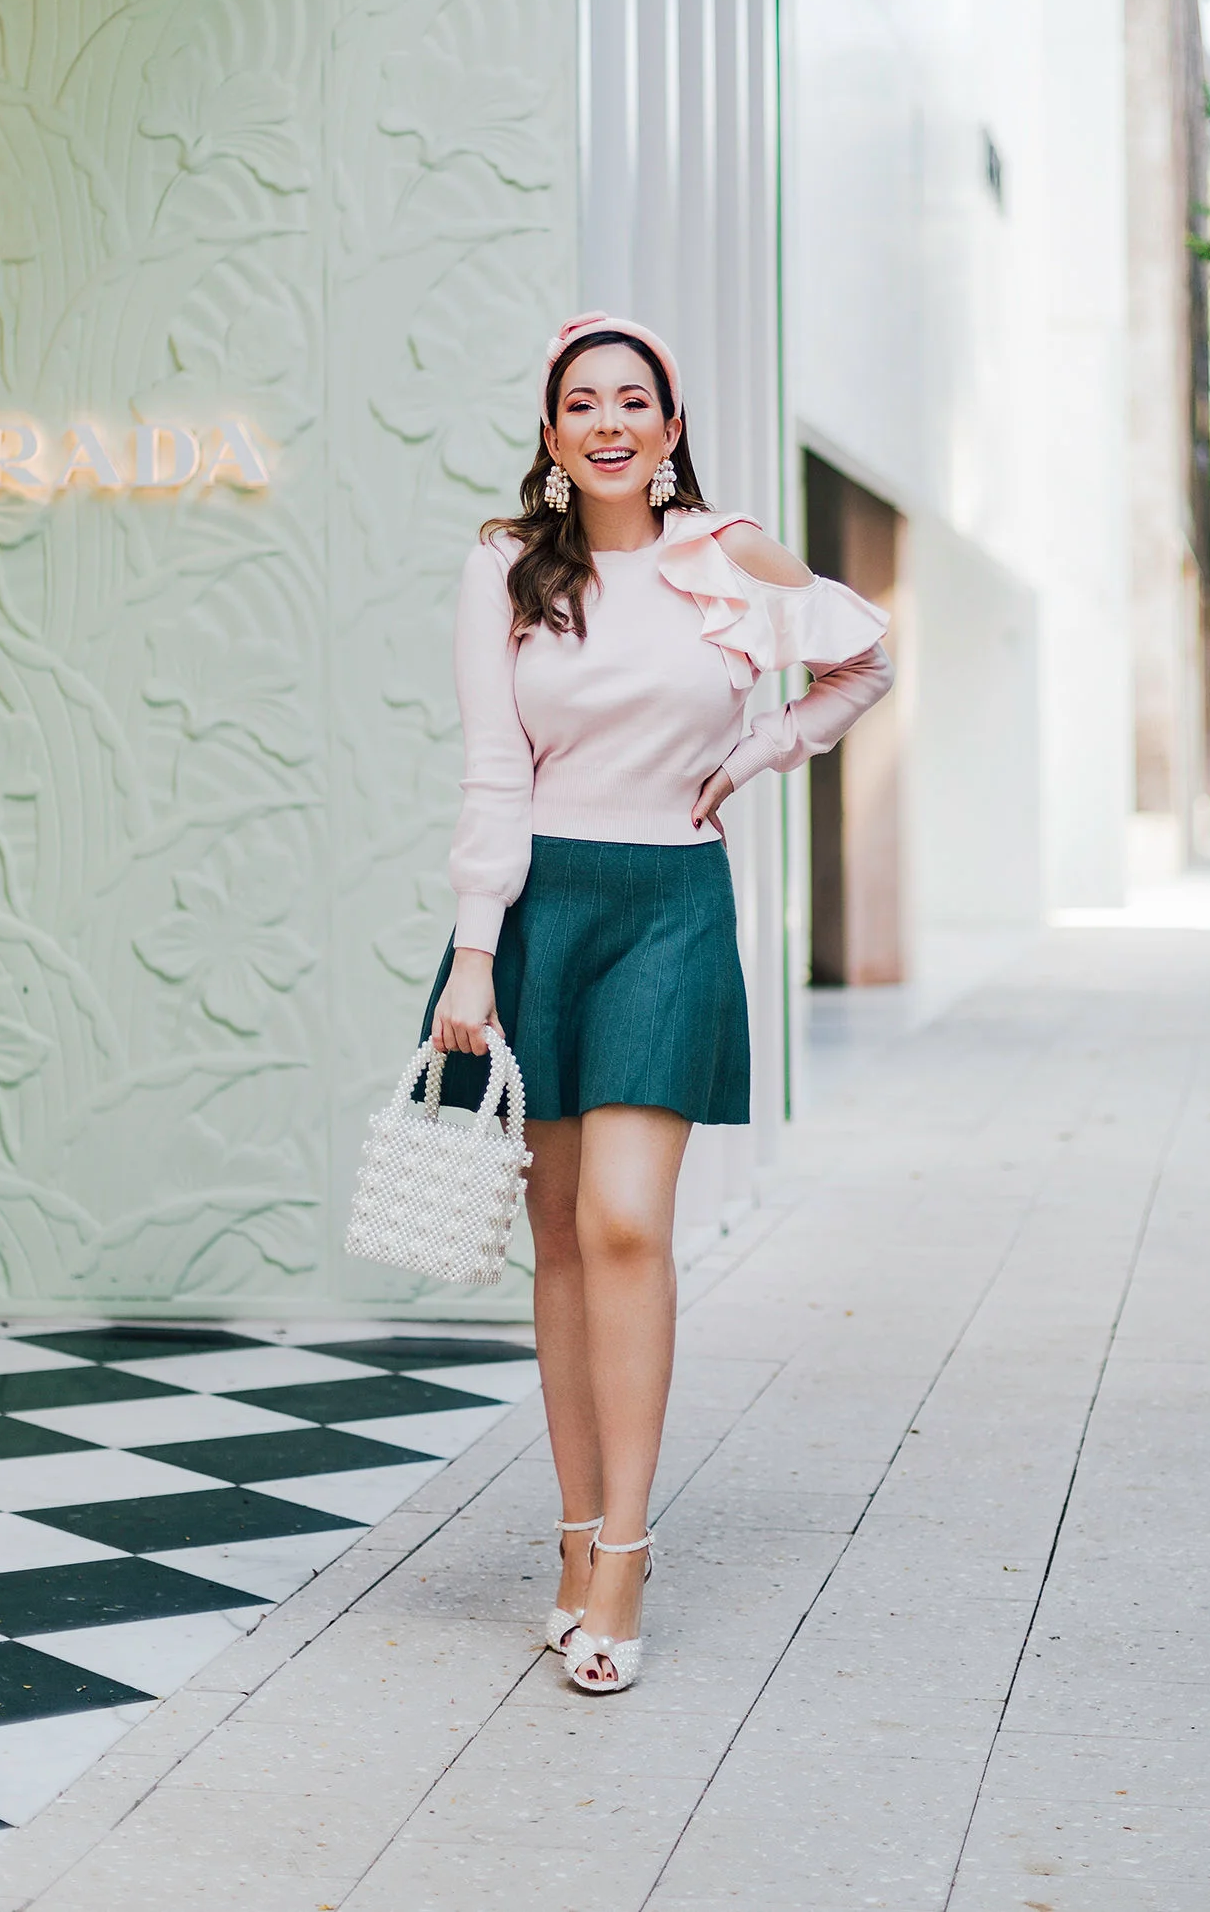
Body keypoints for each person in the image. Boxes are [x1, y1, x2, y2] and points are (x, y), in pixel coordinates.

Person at [423, 311, 892, 1693]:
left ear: (672, 426)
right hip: (537, 907)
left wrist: (763, 750)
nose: (611, 422)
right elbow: (493, 767)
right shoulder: (506, 565)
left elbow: (865, 655)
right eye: (584, 402)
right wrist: (472, 952)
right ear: (553, 432)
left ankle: (623, 1555)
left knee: (627, 1220)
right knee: (561, 1239)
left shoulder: (727, 555)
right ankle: (575, 1536)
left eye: (636, 400)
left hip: (673, 904)